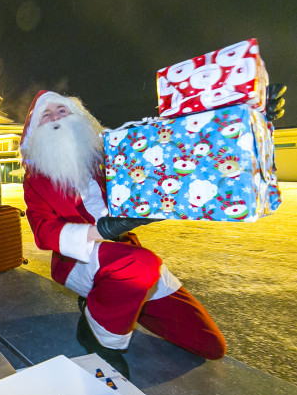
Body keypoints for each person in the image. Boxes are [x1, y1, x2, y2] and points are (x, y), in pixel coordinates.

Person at [20, 90, 228, 378]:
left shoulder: (110, 153)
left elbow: (173, 149)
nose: (56, 118)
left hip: (125, 252)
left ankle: (106, 301)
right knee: (142, 264)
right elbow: (43, 232)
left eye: (62, 111)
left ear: (79, 119)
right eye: (46, 115)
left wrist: (240, 120)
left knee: (210, 343)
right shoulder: (36, 179)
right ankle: (99, 338)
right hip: (78, 260)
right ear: (36, 131)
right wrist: (99, 230)